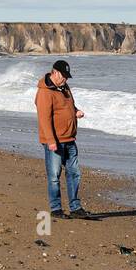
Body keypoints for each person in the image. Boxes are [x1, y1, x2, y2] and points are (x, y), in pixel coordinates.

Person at [35, 59, 86, 218]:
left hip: (70, 139)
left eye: (67, 76)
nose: (65, 79)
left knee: (74, 173)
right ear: (54, 72)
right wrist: (50, 141)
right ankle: (56, 209)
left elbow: (68, 106)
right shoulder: (44, 92)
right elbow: (44, 118)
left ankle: (75, 208)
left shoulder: (65, 87)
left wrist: (76, 111)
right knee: (54, 177)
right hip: (54, 142)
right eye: (63, 76)